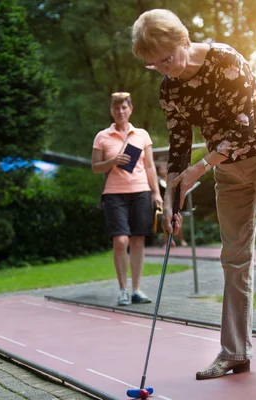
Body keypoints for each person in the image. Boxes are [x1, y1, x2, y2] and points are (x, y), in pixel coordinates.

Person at [132, 9, 256, 384]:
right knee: (233, 256)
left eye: (167, 59)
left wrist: (200, 169)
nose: (164, 69)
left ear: (183, 40)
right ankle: (235, 351)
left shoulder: (224, 60)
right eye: (154, 65)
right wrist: (170, 200)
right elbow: (179, 145)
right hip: (229, 169)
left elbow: (244, 125)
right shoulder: (170, 89)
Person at [91, 92, 163, 306]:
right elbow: (95, 167)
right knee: (121, 241)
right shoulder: (102, 136)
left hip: (141, 191)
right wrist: (113, 160)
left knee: (138, 240)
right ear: (111, 111)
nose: (120, 111)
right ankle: (122, 289)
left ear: (130, 109)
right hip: (114, 194)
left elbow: (150, 166)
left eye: (124, 107)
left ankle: (136, 290)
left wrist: (156, 193)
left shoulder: (141, 135)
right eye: (116, 108)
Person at [156, 160, 188, 247]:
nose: (163, 169)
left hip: (174, 203)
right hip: (162, 204)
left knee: (176, 220)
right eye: (161, 168)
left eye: (165, 167)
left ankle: (181, 240)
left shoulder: (173, 179)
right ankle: (167, 242)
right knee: (166, 222)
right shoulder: (157, 180)